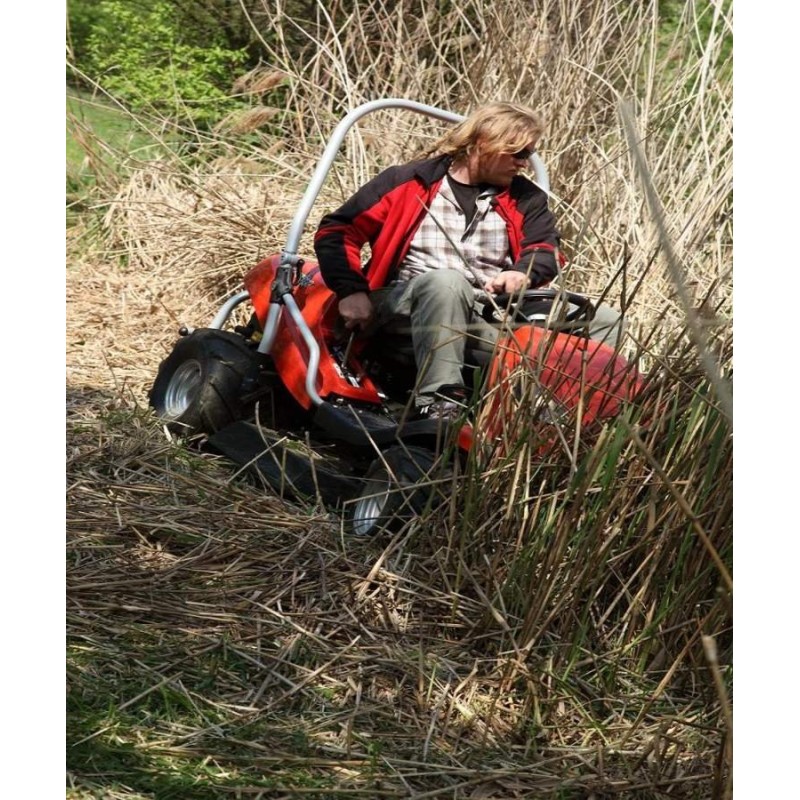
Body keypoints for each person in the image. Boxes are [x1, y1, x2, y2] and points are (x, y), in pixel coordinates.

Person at [313, 101, 623, 419]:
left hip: (489, 311)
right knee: (447, 283)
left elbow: (545, 249)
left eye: (529, 154)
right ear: (482, 143)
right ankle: (439, 402)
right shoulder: (408, 182)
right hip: (407, 304)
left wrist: (522, 274)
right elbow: (338, 231)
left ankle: (592, 415)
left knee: (604, 318)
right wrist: (351, 291)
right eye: (517, 153)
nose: (524, 164)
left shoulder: (527, 198)